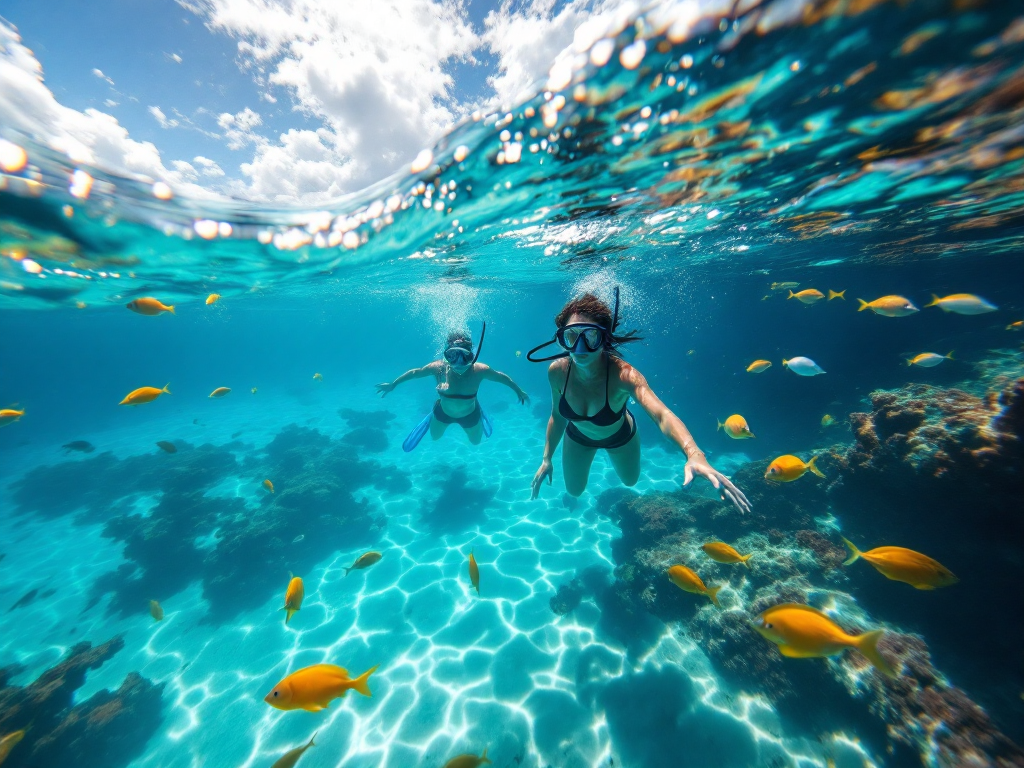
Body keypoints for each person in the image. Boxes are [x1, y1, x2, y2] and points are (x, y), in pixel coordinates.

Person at [527, 289, 751, 513]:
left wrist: (695, 455)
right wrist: (546, 458)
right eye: (572, 336)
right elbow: (557, 416)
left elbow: (662, 415)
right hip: (578, 438)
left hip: (620, 437)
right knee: (574, 491)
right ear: (562, 338)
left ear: (604, 338)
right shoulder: (557, 372)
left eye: (590, 336)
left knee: (630, 481)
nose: (580, 347)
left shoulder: (625, 376)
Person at [376, 323, 530, 451]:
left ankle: (481, 411)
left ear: (472, 355)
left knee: (475, 442)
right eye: (453, 356)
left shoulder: (479, 370)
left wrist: (518, 390)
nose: (459, 362)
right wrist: (393, 384)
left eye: (465, 357)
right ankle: (432, 413)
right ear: (446, 356)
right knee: (434, 438)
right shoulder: (439, 368)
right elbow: (416, 372)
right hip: (443, 412)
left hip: (470, 414)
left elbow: (501, 377)